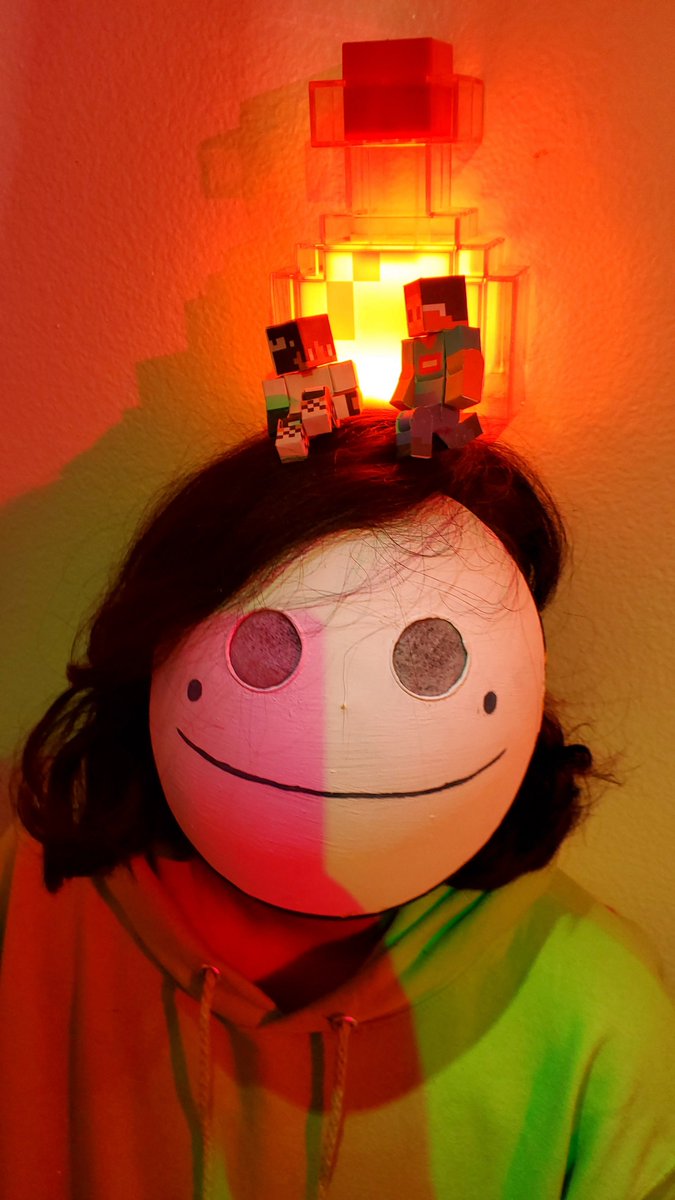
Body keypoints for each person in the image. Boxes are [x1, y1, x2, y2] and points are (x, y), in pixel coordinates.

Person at [1, 414, 674, 1200]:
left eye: (429, 660)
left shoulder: (595, 1005)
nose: (336, 726)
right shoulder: (28, 904)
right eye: (268, 648)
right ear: (159, 645)